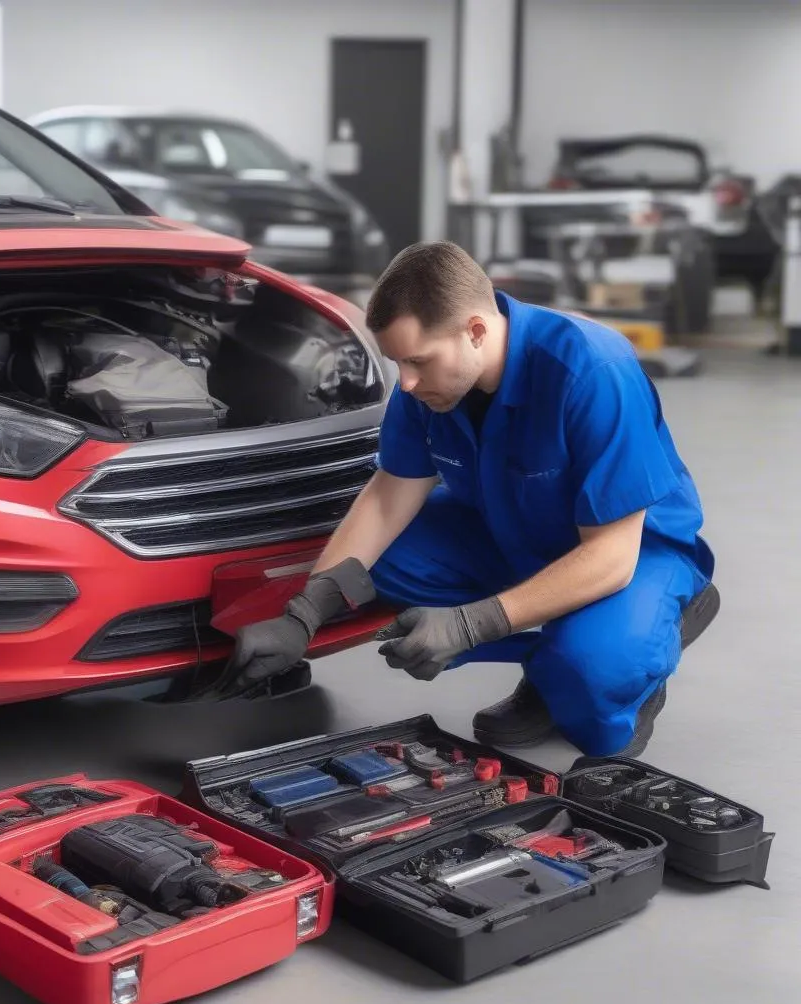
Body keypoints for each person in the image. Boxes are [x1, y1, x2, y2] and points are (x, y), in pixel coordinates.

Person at [215, 241, 718, 758]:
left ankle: (627, 647)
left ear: (475, 330)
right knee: (365, 568)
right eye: (397, 363)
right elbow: (389, 497)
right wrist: (305, 612)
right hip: (510, 528)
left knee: (594, 682)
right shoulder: (430, 386)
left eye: (417, 361)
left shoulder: (592, 370)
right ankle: (554, 655)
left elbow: (611, 556)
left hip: (633, 554)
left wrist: (471, 623)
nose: (405, 383)